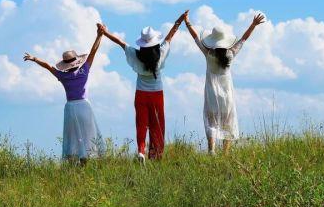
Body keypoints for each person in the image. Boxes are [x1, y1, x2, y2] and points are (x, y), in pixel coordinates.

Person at [98, 11, 187, 163]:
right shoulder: (161, 53)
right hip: (157, 94)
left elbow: (120, 42)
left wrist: (105, 32)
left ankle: (141, 151)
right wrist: (180, 20)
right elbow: (170, 35)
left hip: (141, 95)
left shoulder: (135, 55)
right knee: (157, 125)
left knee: (141, 124)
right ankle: (155, 155)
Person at [184, 11, 266, 154]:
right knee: (228, 121)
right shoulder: (230, 54)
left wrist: (187, 22)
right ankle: (226, 153)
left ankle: (211, 149)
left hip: (211, 91)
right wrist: (253, 25)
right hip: (227, 92)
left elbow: (195, 37)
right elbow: (243, 39)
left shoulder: (208, 54)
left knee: (212, 120)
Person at [23, 24, 105, 165]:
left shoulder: (62, 75)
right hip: (84, 106)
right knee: (89, 133)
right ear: (76, 61)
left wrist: (34, 58)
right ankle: (87, 156)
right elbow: (93, 52)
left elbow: (48, 66)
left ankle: (78, 157)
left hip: (70, 107)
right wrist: (99, 36)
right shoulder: (84, 70)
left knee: (73, 136)